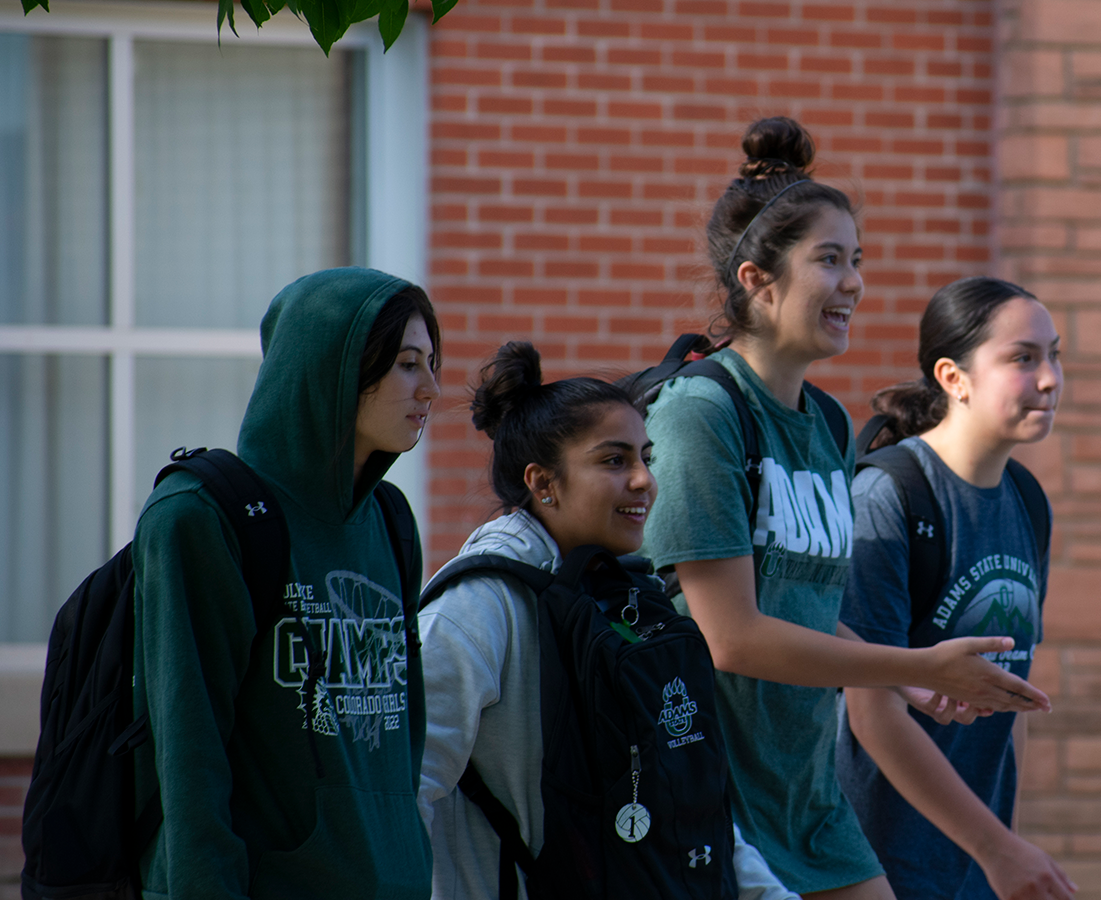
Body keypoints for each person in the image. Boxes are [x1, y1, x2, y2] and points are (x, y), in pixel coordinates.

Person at [639, 117, 1050, 900]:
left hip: (809, 806)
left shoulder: (827, 422)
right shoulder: (701, 413)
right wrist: (910, 665)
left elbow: (802, 601)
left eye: (857, 260)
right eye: (829, 260)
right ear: (757, 279)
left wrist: (911, 687)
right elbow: (732, 636)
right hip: (711, 803)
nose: (855, 282)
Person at [414, 340, 800, 900]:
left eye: (647, 457)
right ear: (543, 483)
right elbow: (407, 791)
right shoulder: (478, 604)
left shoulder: (630, 598)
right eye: (614, 460)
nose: (644, 480)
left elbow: (686, 796)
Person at [131, 267, 440, 898]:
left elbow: (404, 741)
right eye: (409, 364)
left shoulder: (391, 520)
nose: (432, 388)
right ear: (335, 367)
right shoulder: (199, 519)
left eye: (432, 363)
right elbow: (188, 758)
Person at [836, 277, 1077, 900]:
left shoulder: (1027, 500)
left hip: (977, 869)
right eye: (1022, 358)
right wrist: (997, 847)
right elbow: (872, 712)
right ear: (953, 376)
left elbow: (1011, 697)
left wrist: (1003, 851)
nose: (1050, 378)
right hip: (877, 869)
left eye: (1054, 355)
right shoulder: (887, 497)